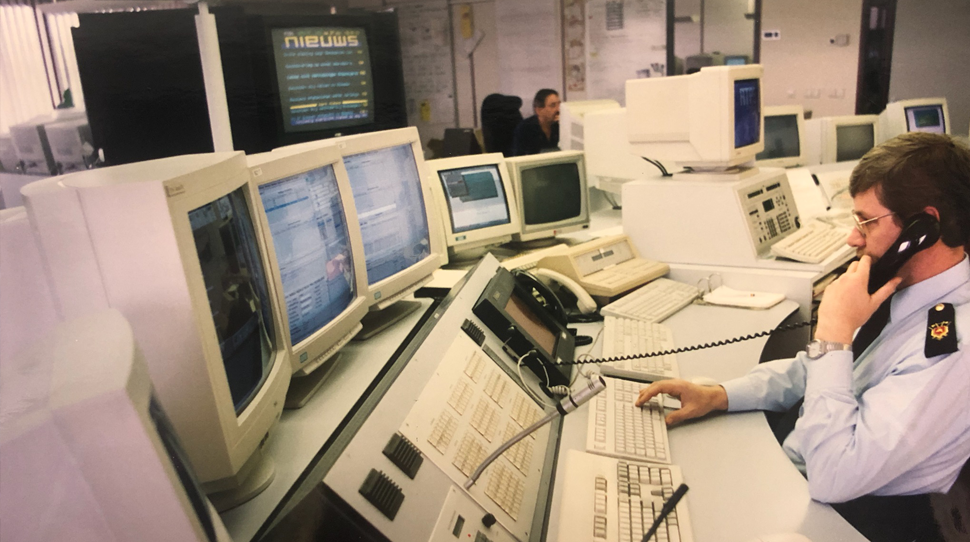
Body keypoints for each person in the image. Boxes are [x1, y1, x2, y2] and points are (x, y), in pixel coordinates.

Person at [636, 133, 970, 539]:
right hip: (803, 465)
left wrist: (834, 332)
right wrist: (721, 395)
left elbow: (833, 476)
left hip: (854, 512)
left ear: (924, 227)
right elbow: (816, 372)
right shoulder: (900, 287)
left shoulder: (953, 350)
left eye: (866, 221)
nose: (852, 237)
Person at [510, 89, 560, 156]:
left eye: (559, 104)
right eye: (553, 105)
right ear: (539, 110)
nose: (558, 109)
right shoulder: (525, 128)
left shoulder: (559, 125)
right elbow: (520, 156)